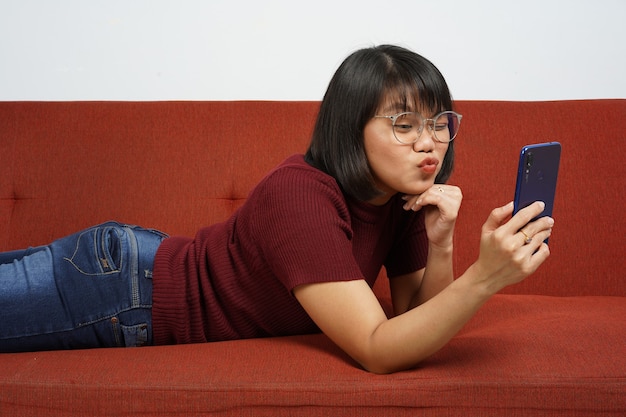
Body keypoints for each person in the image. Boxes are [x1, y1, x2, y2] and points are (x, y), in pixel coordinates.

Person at [0, 44, 553, 373]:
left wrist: (442, 244)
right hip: (121, 287)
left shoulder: (402, 199)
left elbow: (414, 324)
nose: (429, 143)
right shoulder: (302, 194)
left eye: (439, 124)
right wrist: (484, 278)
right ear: (350, 132)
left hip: (132, 270)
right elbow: (379, 351)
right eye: (404, 126)